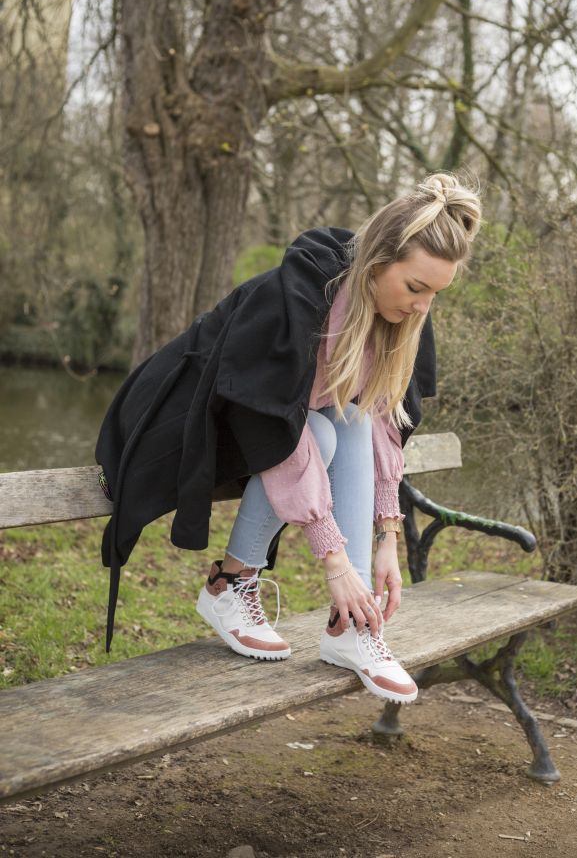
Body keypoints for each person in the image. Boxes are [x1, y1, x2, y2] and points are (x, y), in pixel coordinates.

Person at [96, 172, 481, 703]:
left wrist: (387, 536)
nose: (422, 306)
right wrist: (335, 563)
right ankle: (228, 587)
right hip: (183, 415)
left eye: (435, 294)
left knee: (347, 422)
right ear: (375, 262)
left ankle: (354, 625)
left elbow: (383, 421)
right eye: (415, 287)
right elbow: (272, 421)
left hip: (278, 427)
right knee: (319, 432)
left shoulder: (401, 319)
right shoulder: (297, 303)